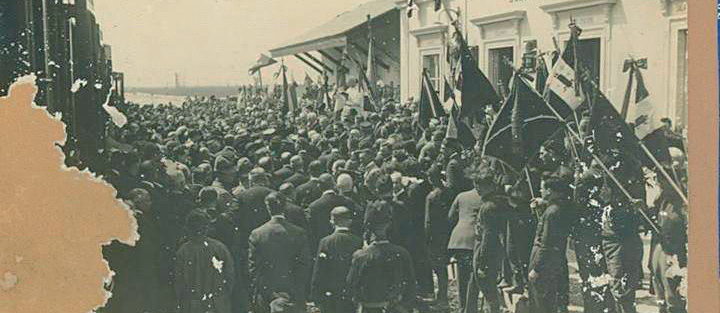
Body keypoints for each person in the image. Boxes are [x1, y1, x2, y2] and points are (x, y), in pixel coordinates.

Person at [248, 192, 312, 313]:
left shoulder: (257, 234)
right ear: (285, 206)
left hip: (267, 296)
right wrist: (293, 291)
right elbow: (304, 266)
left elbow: (254, 269)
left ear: (267, 207)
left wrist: (270, 293)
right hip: (293, 295)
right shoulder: (299, 233)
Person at [346, 204, 417, 313]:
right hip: (396, 307)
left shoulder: (360, 256)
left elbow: (351, 286)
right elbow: (411, 286)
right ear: (389, 225)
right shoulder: (402, 253)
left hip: (369, 308)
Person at [462, 164, 508, 313]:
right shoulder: (497, 202)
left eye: (480, 185)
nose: (477, 189)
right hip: (487, 249)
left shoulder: (488, 207)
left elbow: (488, 236)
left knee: (488, 290)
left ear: (489, 186)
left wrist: (482, 261)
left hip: (485, 251)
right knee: (475, 284)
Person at [528, 176, 576, 313]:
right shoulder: (561, 208)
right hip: (557, 258)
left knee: (540, 302)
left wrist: (537, 268)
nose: (540, 190)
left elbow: (546, 243)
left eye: (542, 188)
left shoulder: (551, 213)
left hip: (544, 261)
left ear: (549, 191)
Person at [174, 209, 236, 313]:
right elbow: (230, 276)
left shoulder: (183, 251)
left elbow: (179, 281)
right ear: (206, 228)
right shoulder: (219, 247)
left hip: (192, 304)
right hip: (218, 303)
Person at [310, 206, 364, 313]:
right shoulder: (358, 241)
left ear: (332, 221)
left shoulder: (325, 242)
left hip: (331, 294)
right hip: (351, 294)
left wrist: (315, 297)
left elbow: (319, 270)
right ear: (349, 221)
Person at [650, 172, 688, 313]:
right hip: (661, 247)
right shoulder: (662, 199)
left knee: (673, 297)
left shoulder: (682, 200)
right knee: (661, 293)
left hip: (675, 251)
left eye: (662, 179)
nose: (658, 182)